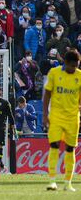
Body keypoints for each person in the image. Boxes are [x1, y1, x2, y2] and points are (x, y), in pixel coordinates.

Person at [43, 50, 81, 191]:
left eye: (77, 66)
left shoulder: (80, 76)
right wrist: (44, 114)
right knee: (54, 146)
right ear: (65, 63)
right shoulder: (54, 73)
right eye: (72, 66)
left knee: (70, 149)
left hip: (73, 118)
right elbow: (47, 94)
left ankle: (68, 183)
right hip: (56, 116)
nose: (74, 69)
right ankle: (52, 181)